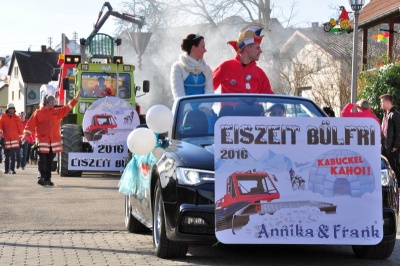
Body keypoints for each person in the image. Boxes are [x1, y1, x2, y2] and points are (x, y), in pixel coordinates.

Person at [23, 91, 82, 186]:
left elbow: (67, 108)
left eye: (54, 101)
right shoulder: (38, 113)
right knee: (43, 161)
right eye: (52, 102)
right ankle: (41, 177)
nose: (54, 103)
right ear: (46, 102)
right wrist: (25, 136)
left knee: (49, 162)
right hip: (42, 142)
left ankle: (48, 179)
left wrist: (76, 99)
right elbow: (30, 125)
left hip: (53, 143)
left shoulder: (56, 112)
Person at [213, 23, 274, 94]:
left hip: (253, 106)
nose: (260, 51)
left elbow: (269, 96)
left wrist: (278, 104)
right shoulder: (226, 67)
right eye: (257, 48)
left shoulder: (259, 73)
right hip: (230, 106)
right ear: (247, 49)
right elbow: (207, 88)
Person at [170, 34, 213, 99]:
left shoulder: (207, 69)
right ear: (194, 48)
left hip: (205, 109)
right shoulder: (178, 67)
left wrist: (205, 108)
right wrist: (187, 109)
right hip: (184, 108)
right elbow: (178, 94)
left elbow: (209, 92)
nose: (205, 50)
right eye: (203, 47)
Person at [380, 93, 400, 185]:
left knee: (394, 167)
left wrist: (396, 146)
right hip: (384, 147)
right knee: (385, 168)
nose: (381, 104)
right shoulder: (385, 115)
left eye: (382, 102)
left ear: (387, 102)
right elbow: (383, 131)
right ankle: (388, 186)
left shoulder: (395, 115)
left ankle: (398, 187)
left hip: (392, 148)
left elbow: (398, 131)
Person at [0, 103, 24, 174]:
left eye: (12, 108)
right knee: (6, 156)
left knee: (13, 156)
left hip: (15, 140)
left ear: (14, 109)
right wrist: (1, 137)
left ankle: (12, 169)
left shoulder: (17, 118)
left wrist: (21, 139)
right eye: (10, 108)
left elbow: (20, 129)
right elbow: (0, 127)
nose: (11, 110)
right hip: (6, 140)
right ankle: (6, 169)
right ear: (8, 109)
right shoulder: (3, 117)